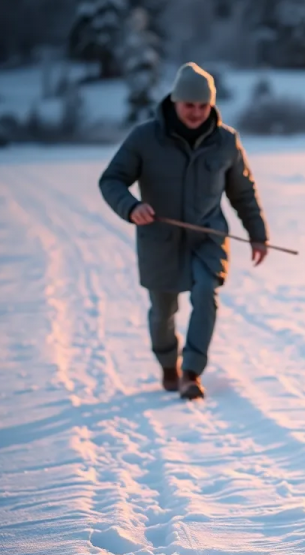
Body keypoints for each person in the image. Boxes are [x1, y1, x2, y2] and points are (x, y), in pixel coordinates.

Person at [99, 62, 269, 400]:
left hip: (208, 238)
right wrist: (132, 208)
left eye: (203, 105)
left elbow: (243, 192)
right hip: (159, 240)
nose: (195, 112)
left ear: (212, 105)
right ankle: (168, 366)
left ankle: (191, 372)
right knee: (163, 311)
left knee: (206, 292)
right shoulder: (145, 138)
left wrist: (257, 233)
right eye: (189, 105)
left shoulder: (225, 142)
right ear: (175, 102)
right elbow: (111, 180)